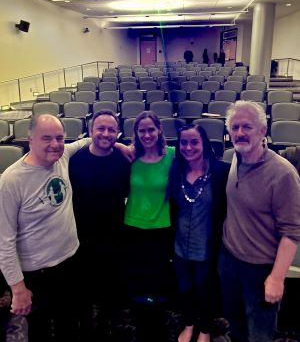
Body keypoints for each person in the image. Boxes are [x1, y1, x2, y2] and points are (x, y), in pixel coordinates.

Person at [0, 114, 133, 342]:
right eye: (46, 138)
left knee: (69, 322)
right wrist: (18, 288)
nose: (54, 144)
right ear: (29, 139)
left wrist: (117, 144)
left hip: (70, 261)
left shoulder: (62, 158)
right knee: (40, 328)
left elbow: (88, 141)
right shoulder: (11, 181)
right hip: (37, 272)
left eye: (60, 138)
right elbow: (4, 240)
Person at [219, 101, 300, 342]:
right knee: (236, 324)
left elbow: (292, 232)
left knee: (260, 333)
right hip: (230, 259)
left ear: (263, 131)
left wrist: (276, 278)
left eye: (247, 127)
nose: (240, 133)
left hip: (261, 269)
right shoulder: (235, 156)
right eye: (235, 127)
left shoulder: (283, 174)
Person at [69, 110, 131, 341]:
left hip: (114, 235)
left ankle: (107, 325)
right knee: (82, 291)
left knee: (111, 290)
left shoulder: (124, 160)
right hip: (81, 237)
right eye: (100, 128)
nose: (106, 134)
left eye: (111, 129)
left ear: (118, 132)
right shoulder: (74, 161)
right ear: (91, 130)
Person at [168, 125, 229, 342]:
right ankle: (189, 323)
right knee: (185, 288)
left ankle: (204, 328)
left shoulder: (221, 172)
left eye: (194, 142)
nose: (188, 147)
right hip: (179, 246)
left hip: (206, 247)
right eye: (183, 142)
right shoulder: (175, 171)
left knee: (205, 290)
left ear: (204, 143)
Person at [123, 110, 175, 341]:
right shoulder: (129, 157)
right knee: (138, 279)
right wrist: (118, 146)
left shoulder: (172, 155)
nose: (147, 135)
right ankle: (141, 323)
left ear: (159, 130)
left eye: (150, 129)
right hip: (132, 227)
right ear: (136, 133)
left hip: (161, 227)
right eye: (141, 131)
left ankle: (158, 324)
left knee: (159, 280)